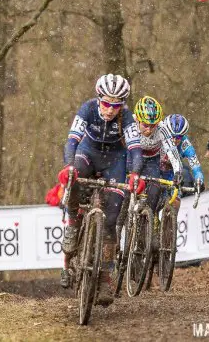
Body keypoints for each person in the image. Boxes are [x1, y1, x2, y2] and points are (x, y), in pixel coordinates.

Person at [57, 73, 141, 306]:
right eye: (106, 103)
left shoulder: (127, 118)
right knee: (74, 176)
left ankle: (104, 277)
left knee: (112, 219)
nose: (110, 109)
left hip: (115, 161)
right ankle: (73, 224)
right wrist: (68, 165)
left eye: (116, 105)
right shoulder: (87, 109)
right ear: (98, 99)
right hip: (88, 153)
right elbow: (72, 140)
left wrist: (134, 174)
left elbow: (135, 150)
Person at [161, 114, 205, 193]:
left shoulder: (185, 144)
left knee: (185, 175)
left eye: (178, 137)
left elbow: (196, 167)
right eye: (171, 136)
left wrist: (199, 181)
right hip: (156, 168)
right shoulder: (159, 137)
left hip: (173, 172)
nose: (174, 140)